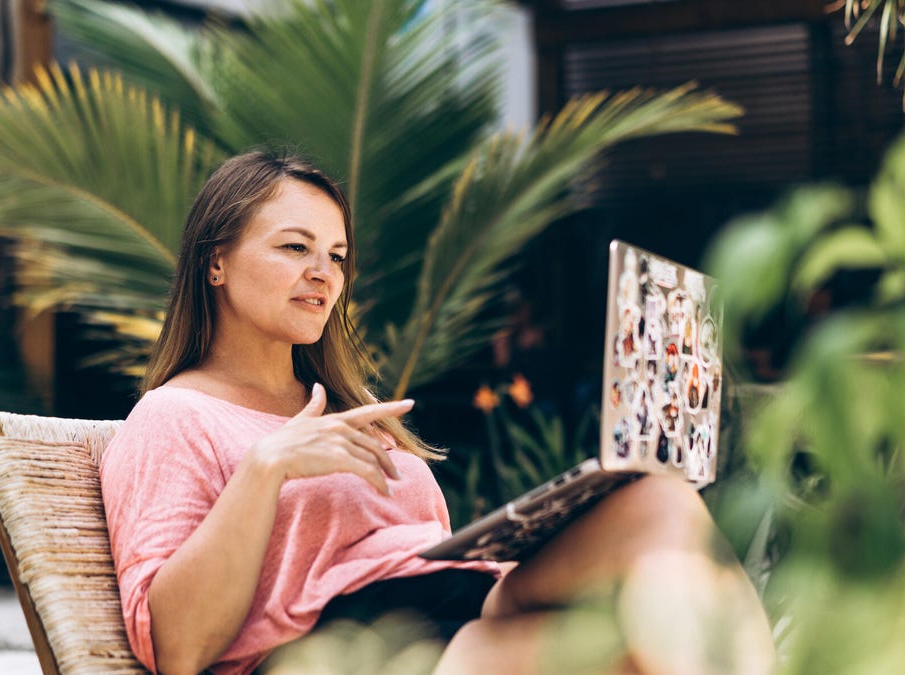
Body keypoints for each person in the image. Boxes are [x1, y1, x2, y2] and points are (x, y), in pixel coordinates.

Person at [101, 151, 775, 675]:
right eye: (294, 247)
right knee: (652, 545)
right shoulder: (173, 416)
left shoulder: (353, 410)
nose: (324, 273)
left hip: (454, 608)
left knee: (658, 514)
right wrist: (264, 468)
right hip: (348, 644)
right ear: (215, 263)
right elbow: (178, 646)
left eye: (336, 255)